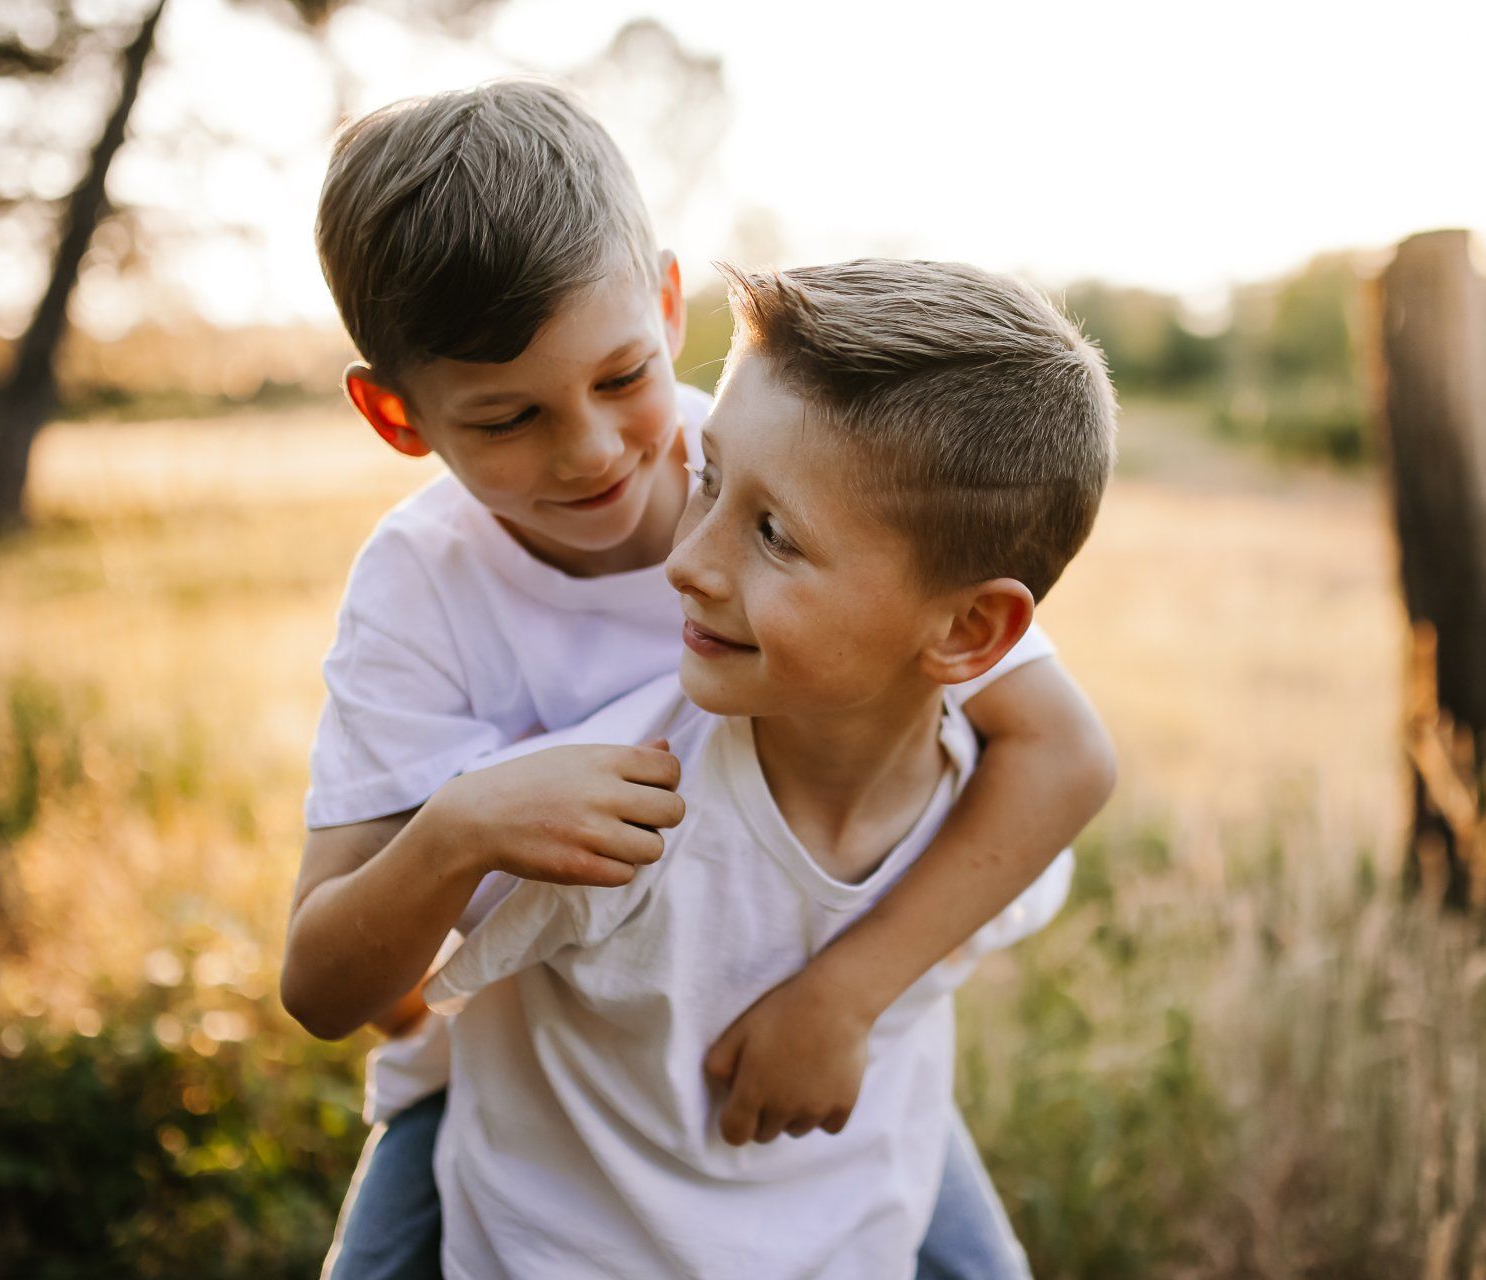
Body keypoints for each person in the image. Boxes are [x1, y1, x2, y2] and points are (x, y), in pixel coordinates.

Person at [279, 80, 1116, 1280]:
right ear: (395, 414)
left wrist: (845, 994)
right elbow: (323, 980)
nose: (595, 450)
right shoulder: (421, 585)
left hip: (806, 1033)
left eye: (623, 376)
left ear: (668, 303)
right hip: (519, 1069)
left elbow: (1063, 750)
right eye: (508, 417)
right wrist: (461, 827)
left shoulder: (782, 464)